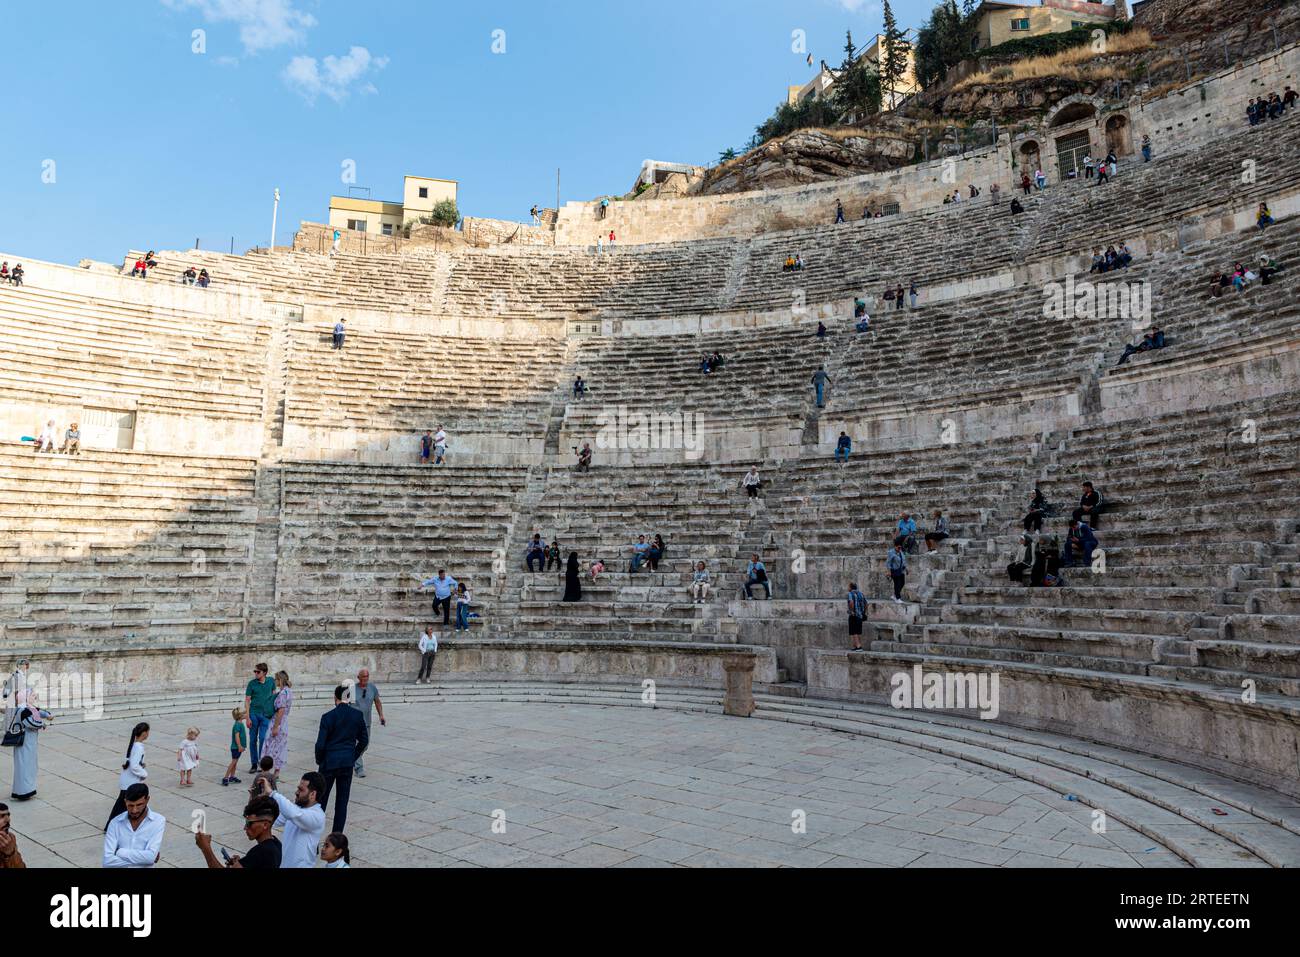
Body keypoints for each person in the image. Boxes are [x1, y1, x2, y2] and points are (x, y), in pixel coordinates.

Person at [316, 685, 368, 834]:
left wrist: (320, 760)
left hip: (329, 762)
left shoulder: (328, 717)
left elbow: (320, 744)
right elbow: (364, 740)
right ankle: (336, 839)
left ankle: (314, 841)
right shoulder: (357, 715)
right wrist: (353, 756)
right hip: (346, 763)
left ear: (336, 697)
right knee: (342, 803)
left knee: (321, 802)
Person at [260, 773, 326, 869]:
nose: (296, 792)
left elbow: (293, 813)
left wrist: (272, 793)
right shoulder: (296, 808)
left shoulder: (317, 816)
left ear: (313, 794)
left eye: (301, 790)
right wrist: (258, 801)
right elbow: (271, 820)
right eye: (298, 788)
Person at [196, 796, 282, 869]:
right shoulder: (276, 844)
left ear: (265, 825)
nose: (245, 828)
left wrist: (206, 848)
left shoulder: (261, 852)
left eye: (249, 823)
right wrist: (244, 863)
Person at [103, 783, 165, 868]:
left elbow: (150, 857)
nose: (134, 810)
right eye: (130, 806)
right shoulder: (115, 823)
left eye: (139, 805)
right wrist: (144, 861)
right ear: (125, 802)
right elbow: (107, 862)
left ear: (147, 800)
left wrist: (119, 852)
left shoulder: (158, 821)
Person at [104, 722, 149, 829]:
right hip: (131, 781)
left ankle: (112, 826)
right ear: (144, 733)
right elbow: (134, 765)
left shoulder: (135, 745)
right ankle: (112, 826)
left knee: (122, 805)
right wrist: (144, 773)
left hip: (127, 780)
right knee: (129, 804)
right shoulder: (138, 748)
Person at [9, 701, 51, 801]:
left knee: (30, 766)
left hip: (30, 743)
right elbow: (30, 723)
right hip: (24, 743)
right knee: (24, 767)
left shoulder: (29, 708)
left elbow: (38, 712)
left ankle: (28, 790)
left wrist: (47, 715)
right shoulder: (23, 710)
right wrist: (42, 724)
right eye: (32, 695)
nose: (35, 697)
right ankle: (23, 792)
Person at [350, 669, 385, 778]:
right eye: (363, 677)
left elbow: (377, 701)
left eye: (367, 676)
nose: (365, 678)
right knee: (357, 744)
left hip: (367, 722)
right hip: (354, 723)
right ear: (358, 677)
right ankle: (359, 768)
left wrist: (381, 715)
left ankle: (351, 759)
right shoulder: (352, 689)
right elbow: (343, 703)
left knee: (365, 745)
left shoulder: (372, 688)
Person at [244, 663, 275, 773]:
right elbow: (247, 701)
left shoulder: (271, 681)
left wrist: (273, 712)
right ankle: (253, 763)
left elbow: (273, 696)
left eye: (258, 672)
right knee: (253, 739)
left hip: (266, 715)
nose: (256, 674)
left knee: (263, 738)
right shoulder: (252, 684)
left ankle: (262, 763)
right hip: (254, 714)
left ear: (265, 672)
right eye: (255, 671)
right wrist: (247, 717)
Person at [264, 671, 293, 774]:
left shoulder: (282, 693)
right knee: (280, 746)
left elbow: (281, 710)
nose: (275, 681)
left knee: (270, 745)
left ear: (279, 680)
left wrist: (275, 727)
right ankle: (276, 772)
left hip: (278, 721)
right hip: (284, 722)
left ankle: (267, 770)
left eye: (276, 679)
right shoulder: (288, 691)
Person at [223, 707, 247, 786]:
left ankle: (232, 777)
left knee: (235, 763)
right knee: (233, 762)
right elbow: (237, 737)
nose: (246, 714)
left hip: (237, 748)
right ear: (240, 716)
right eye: (244, 713)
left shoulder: (240, 723)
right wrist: (239, 746)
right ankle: (226, 777)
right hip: (236, 748)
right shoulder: (237, 725)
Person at [0, 803, 26, 868]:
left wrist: (10, 853)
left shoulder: (10, 838)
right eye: (1, 816)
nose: (7, 820)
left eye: (8, 815)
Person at [847, 583, 868, 651]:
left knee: (854, 631)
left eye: (848, 587)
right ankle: (855, 646)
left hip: (854, 615)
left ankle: (859, 646)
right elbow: (866, 603)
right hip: (860, 615)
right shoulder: (861, 593)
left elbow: (851, 602)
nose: (848, 588)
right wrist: (864, 612)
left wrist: (852, 611)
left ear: (851, 587)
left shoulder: (850, 594)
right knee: (858, 631)